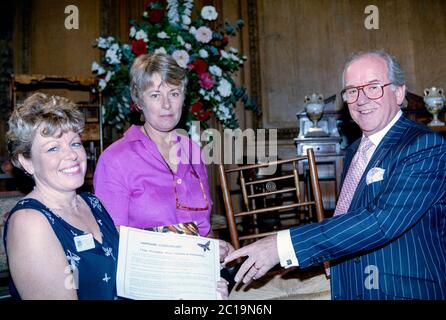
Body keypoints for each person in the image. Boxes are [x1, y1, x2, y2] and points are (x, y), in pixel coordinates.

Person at [224, 50, 446, 300]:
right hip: (345, 275)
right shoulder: (356, 150)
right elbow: (349, 223)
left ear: (398, 92)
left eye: (373, 87)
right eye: (352, 91)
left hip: (396, 289)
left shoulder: (425, 145)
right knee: (240, 295)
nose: (361, 99)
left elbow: (381, 221)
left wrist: (282, 246)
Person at [93, 53, 233, 298]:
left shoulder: (193, 152)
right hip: (145, 287)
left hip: (196, 281)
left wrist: (214, 252)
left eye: (174, 93)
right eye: (155, 95)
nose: (167, 105)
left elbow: (202, 229)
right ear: (139, 101)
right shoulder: (115, 159)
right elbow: (112, 245)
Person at [3, 93, 119, 299]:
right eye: (53, 148)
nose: (72, 155)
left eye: (74, 144)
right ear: (26, 162)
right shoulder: (30, 223)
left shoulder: (92, 203)